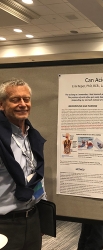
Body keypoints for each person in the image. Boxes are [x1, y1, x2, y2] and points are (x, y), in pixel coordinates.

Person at [0, 78, 46, 250]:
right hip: (4, 224)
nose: (23, 104)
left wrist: (42, 215)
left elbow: (37, 175)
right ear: (1, 104)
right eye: (15, 99)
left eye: (26, 99)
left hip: (32, 220)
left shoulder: (32, 136)